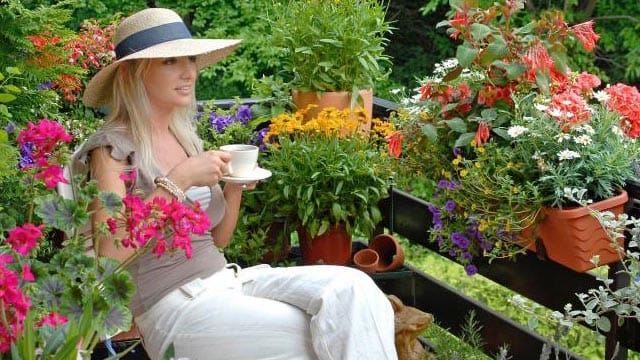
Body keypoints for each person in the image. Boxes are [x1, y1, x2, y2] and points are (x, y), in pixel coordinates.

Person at [72, 7, 397, 360]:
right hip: (174, 309)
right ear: (135, 72)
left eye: (191, 59)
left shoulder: (184, 139)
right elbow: (110, 254)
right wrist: (178, 180)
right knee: (326, 330)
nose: (189, 72)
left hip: (229, 281)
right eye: (171, 62)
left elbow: (219, 239)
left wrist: (234, 185)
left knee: (356, 290)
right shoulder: (112, 150)